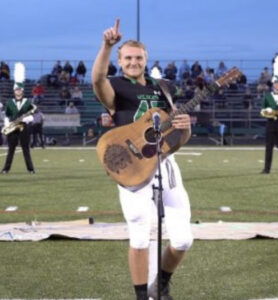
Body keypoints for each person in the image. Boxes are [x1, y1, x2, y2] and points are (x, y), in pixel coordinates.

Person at [92, 19, 193, 300]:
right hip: (133, 166)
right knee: (139, 234)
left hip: (165, 163)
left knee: (183, 238)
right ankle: (140, 295)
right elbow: (98, 80)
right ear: (121, 61)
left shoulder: (164, 88)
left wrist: (185, 127)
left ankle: (160, 283)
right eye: (128, 58)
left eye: (138, 58)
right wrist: (106, 47)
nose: (133, 62)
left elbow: (179, 138)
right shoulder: (115, 86)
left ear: (146, 59)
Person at [1, 63, 35, 174]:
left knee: (26, 149)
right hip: (12, 127)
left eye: (20, 90)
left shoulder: (27, 102)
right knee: (11, 149)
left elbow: (31, 117)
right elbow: (7, 115)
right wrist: (7, 124)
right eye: (16, 90)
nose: (18, 92)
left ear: (22, 91)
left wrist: (25, 119)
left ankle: (30, 169)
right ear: (14, 91)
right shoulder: (10, 102)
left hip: (23, 127)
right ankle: (6, 169)